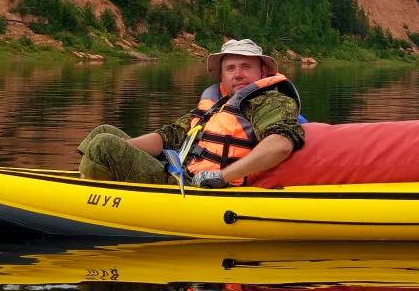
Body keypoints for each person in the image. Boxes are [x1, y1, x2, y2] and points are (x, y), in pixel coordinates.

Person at [78, 38, 306, 189]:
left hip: (198, 186)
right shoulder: (218, 103)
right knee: (103, 133)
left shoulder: (268, 100)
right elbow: (169, 136)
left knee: (103, 145)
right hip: (180, 171)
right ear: (222, 76)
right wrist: (125, 148)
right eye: (230, 68)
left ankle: (85, 197)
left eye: (246, 66)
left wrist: (222, 176)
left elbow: (281, 144)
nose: (238, 74)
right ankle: (91, 178)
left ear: (263, 72)